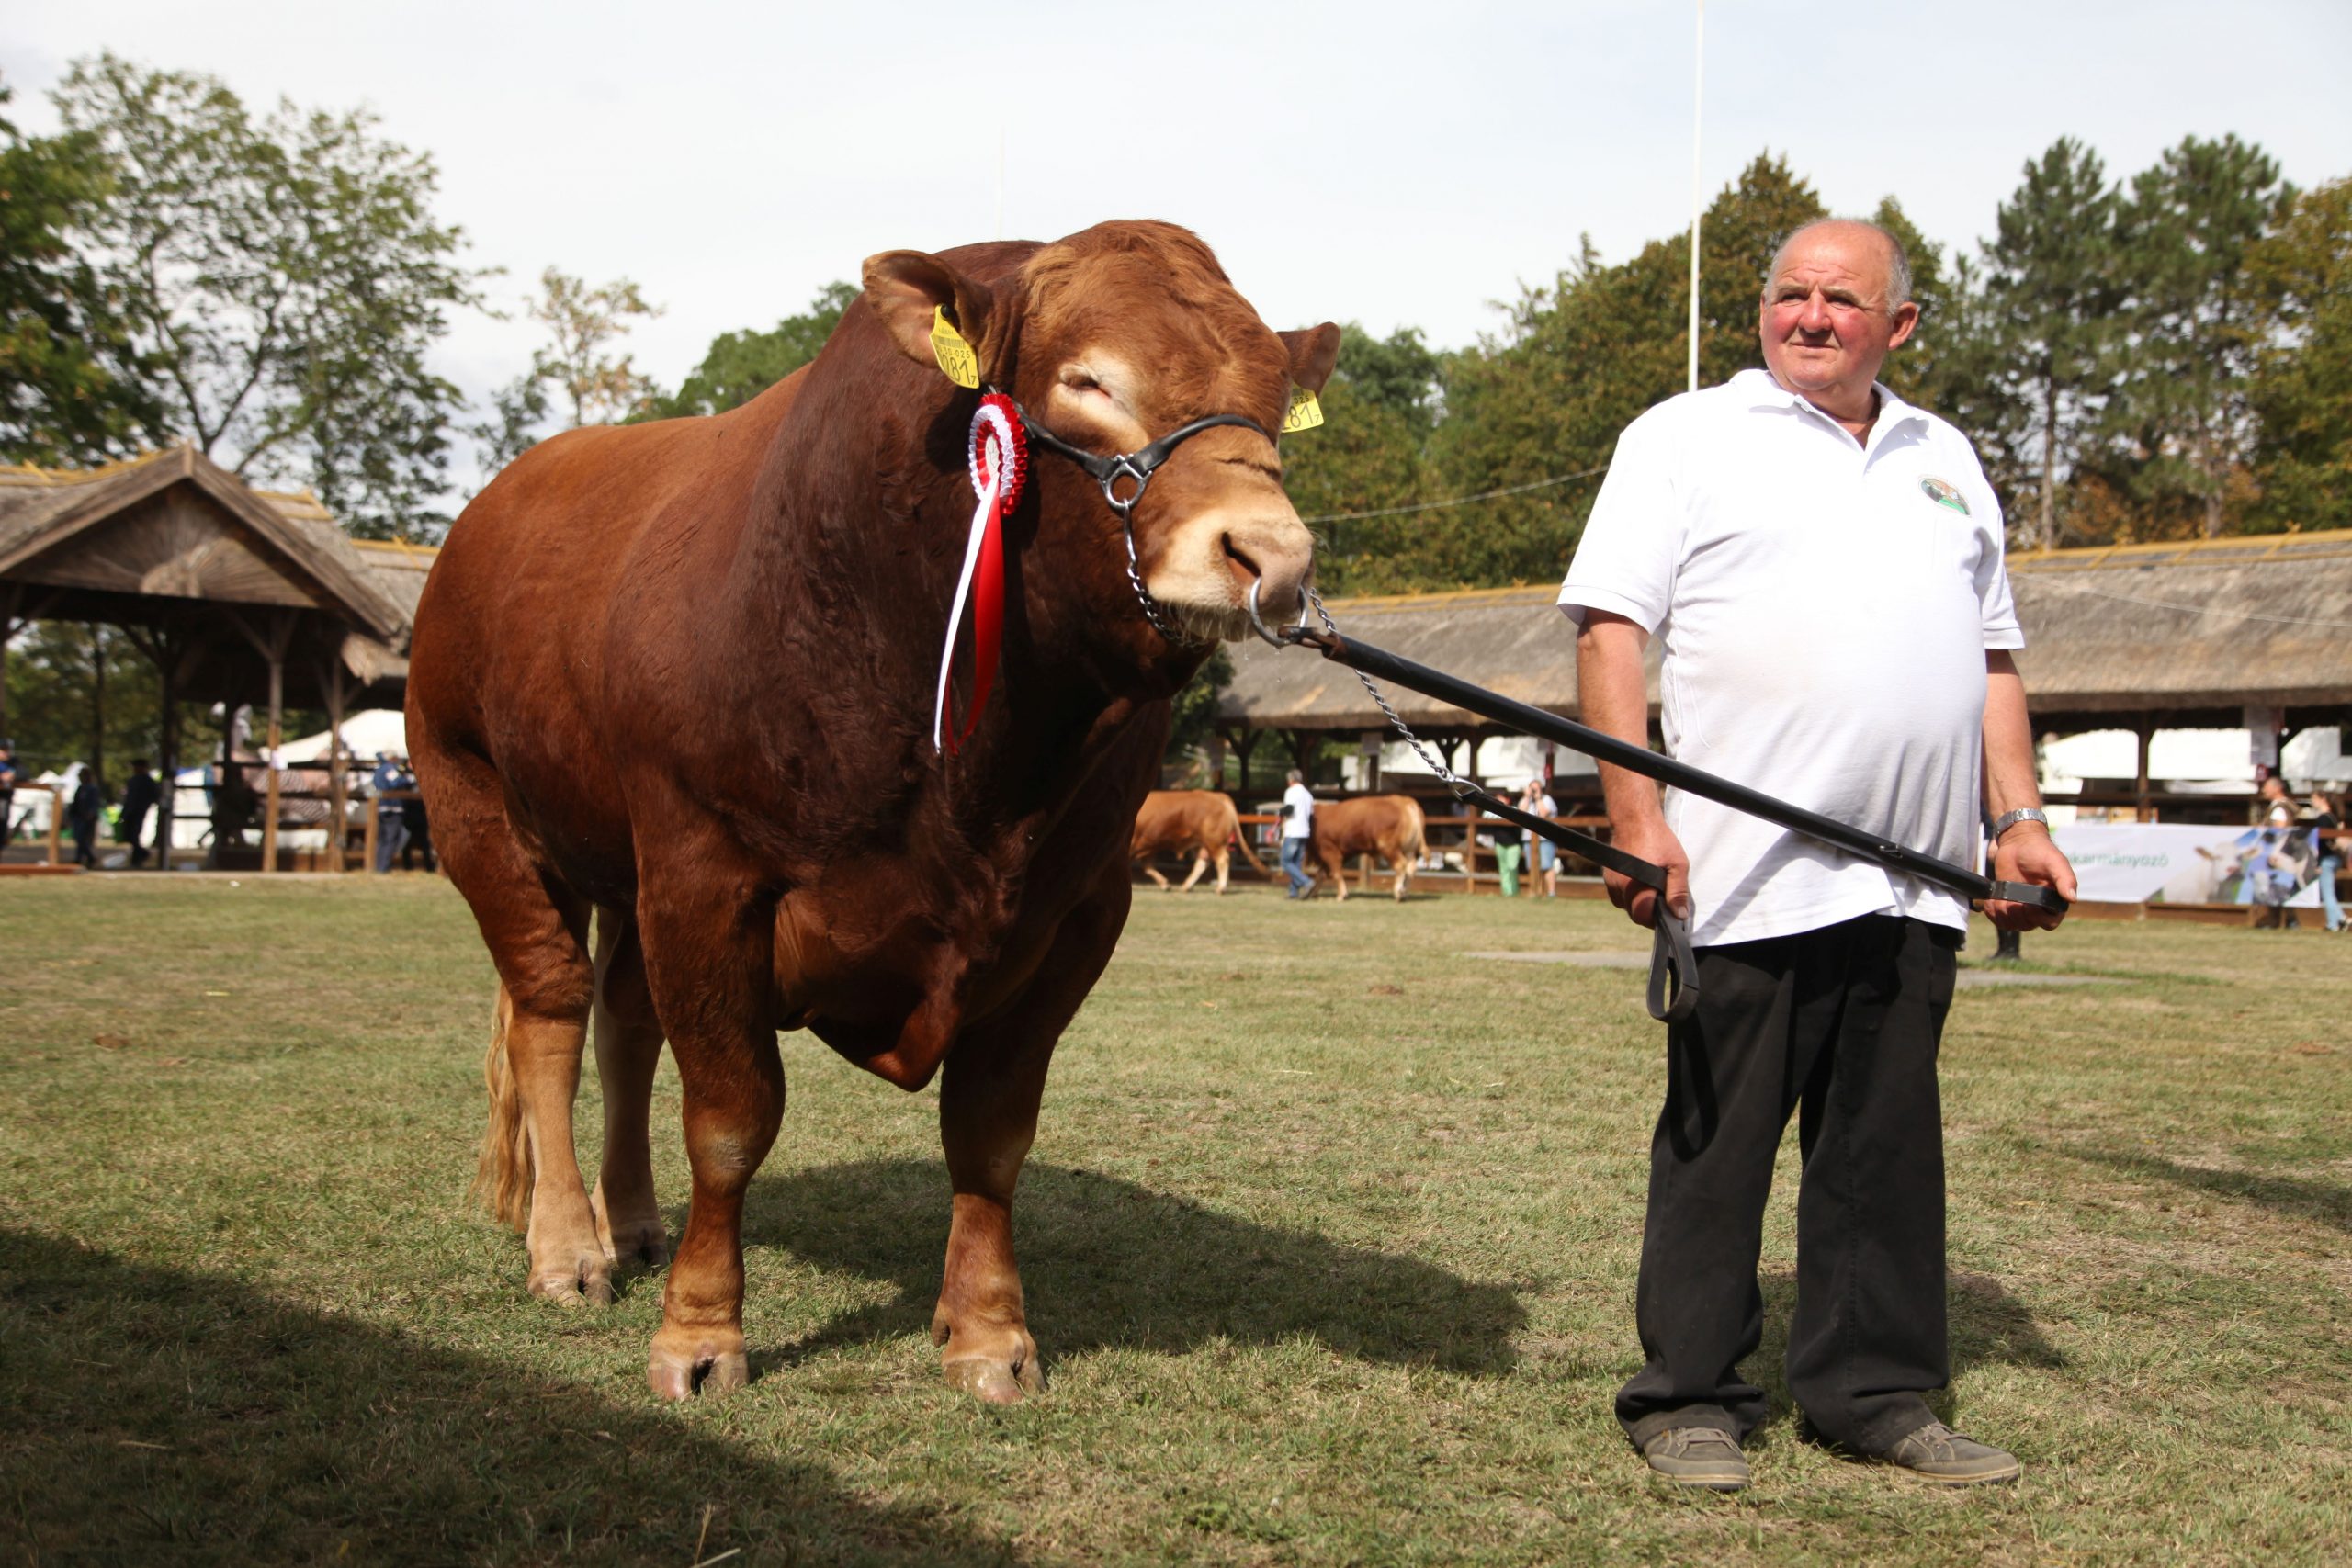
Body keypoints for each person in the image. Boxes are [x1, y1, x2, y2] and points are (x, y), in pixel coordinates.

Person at [1558, 219, 2075, 1493]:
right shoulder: (1684, 438)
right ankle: (1687, 1394)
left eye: (1840, 298)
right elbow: (1611, 632)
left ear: (1897, 324)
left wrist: (2018, 814)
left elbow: (1991, 658)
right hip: (1740, 869)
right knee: (1719, 1141)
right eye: (1789, 293)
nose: (1808, 316)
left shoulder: (1945, 457)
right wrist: (1636, 813)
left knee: (1882, 1149)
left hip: (1916, 877)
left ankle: (1876, 1389)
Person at [2308, 788, 2344, 933]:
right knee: (2329, 891)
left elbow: (2322, 842)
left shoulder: (2323, 818)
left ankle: (2333, 923)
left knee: (2327, 892)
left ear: (2323, 799)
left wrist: (2318, 861)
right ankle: (2340, 918)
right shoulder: (2333, 817)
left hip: (2327, 859)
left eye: (2314, 798)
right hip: (2334, 858)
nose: (2312, 802)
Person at [1520, 775, 1561, 897]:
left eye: (1536, 789)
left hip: (1545, 839)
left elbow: (1543, 813)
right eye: (1531, 788)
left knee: (1547, 866)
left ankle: (1551, 892)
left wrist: (1538, 798)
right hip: (1528, 838)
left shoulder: (1547, 799)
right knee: (1531, 866)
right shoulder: (1525, 801)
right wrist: (1527, 797)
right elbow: (1520, 813)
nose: (1533, 791)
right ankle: (1535, 891)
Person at [1279, 768, 1317, 899]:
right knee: (1296, 864)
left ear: (1290, 780)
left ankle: (1307, 882)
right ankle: (1293, 892)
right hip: (1305, 832)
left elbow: (1289, 809)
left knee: (1285, 861)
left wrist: (1281, 812)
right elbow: (1311, 814)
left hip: (1293, 830)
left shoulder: (1291, 792)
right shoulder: (1308, 794)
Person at [372, 753, 413, 872]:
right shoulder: (389, 769)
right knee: (391, 839)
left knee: (382, 839)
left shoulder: (379, 770)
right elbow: (396, 782)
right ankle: (383, 867)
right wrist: (406, 780)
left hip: (382, 807)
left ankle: (378, 865)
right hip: (393, 807)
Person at [119, 760, 162, 870]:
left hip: (140, 810)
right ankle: (141, 854)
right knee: (129, 835)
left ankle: (138, 857)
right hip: (130, 810)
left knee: (135, 834)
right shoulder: (133, 780)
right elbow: (128, 798)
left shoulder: (148, 781)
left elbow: (155, 795)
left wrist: (145, 804)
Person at [68, 762, 104, 869]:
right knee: (79, 839)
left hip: (87, 818)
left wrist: (91, 814)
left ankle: (88, 857)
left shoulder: (92, 789)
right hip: (79, 817)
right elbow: (75, 803)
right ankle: (81, 858)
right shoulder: (80, 788)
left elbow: (95, 803)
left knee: (83, 839)